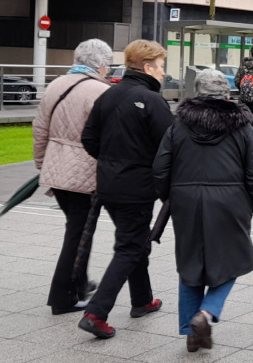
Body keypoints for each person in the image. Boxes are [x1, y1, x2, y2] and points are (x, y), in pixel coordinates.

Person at [153, 69, 253, 352]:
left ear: (196, 92)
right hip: (230, 201)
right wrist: (251, 203)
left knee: (190, 263)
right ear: (227, 93)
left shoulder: (178, 126)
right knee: (233, 260)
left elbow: (160, 168)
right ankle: (205, 314)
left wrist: (171, 196)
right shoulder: (242, 127)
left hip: (185, 200)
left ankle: (192, 334)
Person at [78, 40, 174, 339]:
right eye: (160, 66)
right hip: (138, 187)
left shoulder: (108, 95)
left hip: (109, 184)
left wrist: (112, 162)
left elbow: (89, 139)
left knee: (134, 242)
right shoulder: (152, 101)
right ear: (147, 67)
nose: (162, 72)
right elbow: (170, 147)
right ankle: (96, 312)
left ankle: (142, 300)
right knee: (130, 247)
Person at [33, 39, 113, 315]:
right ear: (101, 64)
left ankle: (79, 283)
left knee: (78, 229)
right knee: (78, 234)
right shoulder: (102, 90)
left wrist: (42, 165)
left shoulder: (55, 85)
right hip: (85, 171)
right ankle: (62, 296)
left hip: (56, 168)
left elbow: (40, 129)